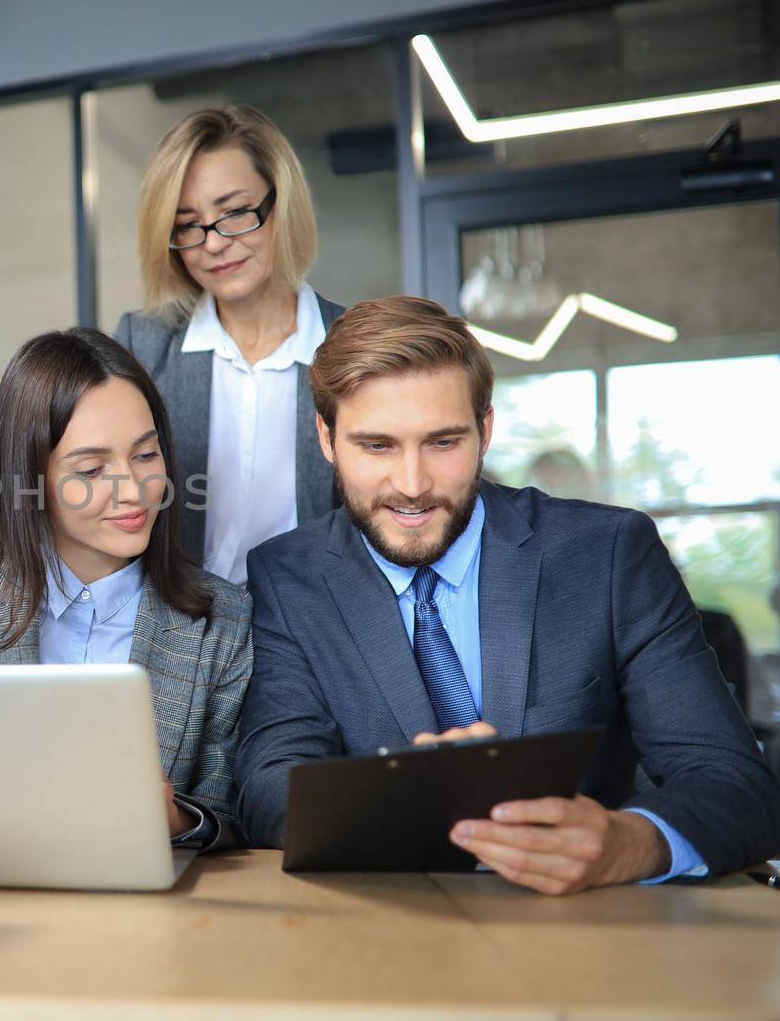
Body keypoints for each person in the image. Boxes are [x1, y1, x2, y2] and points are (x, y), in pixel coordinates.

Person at [233, 295, 780, 892]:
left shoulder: (610, 554)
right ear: (327, 439)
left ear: (486, 430)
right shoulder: (287, 577)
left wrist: (630, 842)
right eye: (377, 446)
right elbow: (267, 787)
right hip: (386, 942)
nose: (412, 486)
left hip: (591, 937)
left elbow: (736, 784)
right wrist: (416, 801)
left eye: (443, 443)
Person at [0, 328, 252, 849]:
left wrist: (173, 817)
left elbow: (229, 814)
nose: (133, 490)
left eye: (145, 456)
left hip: (149, 910)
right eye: (92, 469)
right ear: (31, 476)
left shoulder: (221, 620)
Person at [114, 106, 344, 583]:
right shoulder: (143, 345)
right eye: (187, 224)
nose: (213, 243)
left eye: (235, 213)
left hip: (313, 628)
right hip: (182, 626)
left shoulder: (352, 346)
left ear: (281, 206)